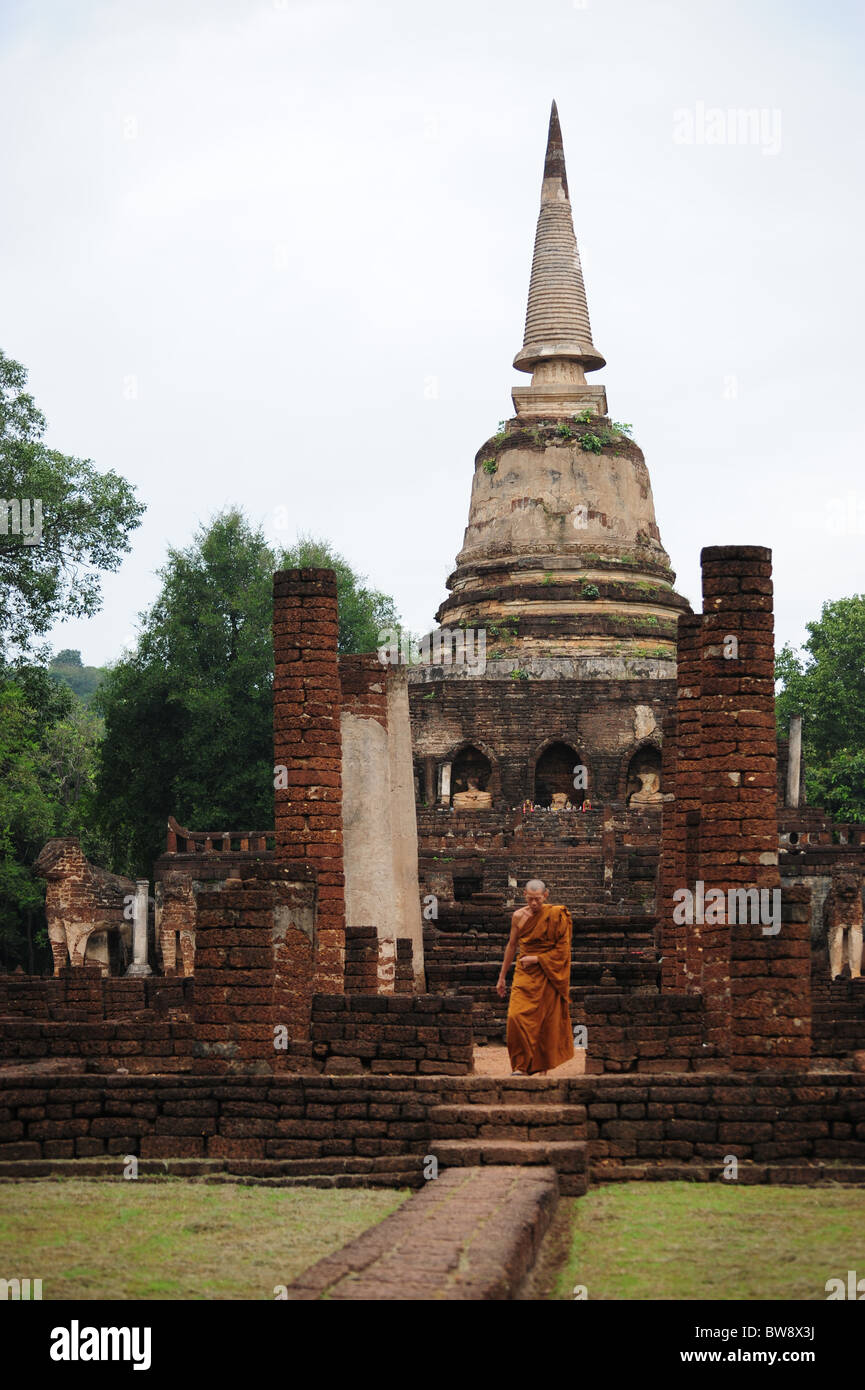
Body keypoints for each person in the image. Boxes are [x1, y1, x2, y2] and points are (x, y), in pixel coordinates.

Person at [496, 879, 574, 1076]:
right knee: (515, 1017)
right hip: (525, 973)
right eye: (530, 899)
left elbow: (563, 949)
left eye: (538, 899)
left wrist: (539, 958)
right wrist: (502, 976)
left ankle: (542, 1066)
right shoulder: (518, 916)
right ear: (524, 895)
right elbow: (511, 945)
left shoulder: (556, 915)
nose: (534, 904)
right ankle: (520, 1065)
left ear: (545, 896)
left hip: (548, 973)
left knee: (544, 1020)